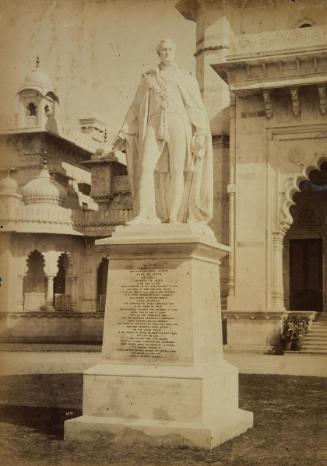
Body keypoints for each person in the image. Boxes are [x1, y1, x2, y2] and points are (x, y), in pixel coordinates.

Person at [113, 38, 213, 225]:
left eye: (170, 50)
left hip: (179, 122)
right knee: (145, 166)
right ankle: (144, 214)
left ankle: (174, 216)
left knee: (177, 170)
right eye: (163, 50)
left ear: (175, 53)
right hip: (154, 123)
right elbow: (135, 107)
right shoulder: (149, 78)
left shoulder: (185, 77)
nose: (167, 53)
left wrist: (200, 131)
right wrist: (124, 130)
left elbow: (196, 107)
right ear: (158, 53)